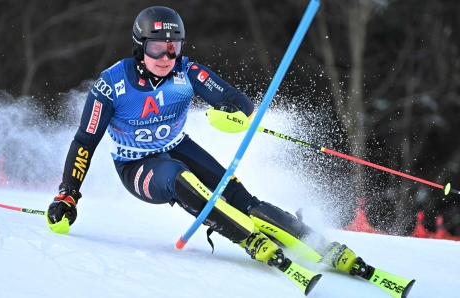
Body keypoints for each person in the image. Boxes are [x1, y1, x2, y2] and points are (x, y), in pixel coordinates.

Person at [45, 6, 372, 279]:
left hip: (179, 146)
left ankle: (324, 247)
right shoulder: (111, 85)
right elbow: (84, 142)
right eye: (157, 47)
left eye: (174, 47)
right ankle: (250, 240)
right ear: (140, 46)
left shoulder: (186, 72)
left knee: (245, 200)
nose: (166, 56)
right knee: (176, 175)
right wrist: (68, 194)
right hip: (136, 165)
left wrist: (232, 111)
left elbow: (236, 99)